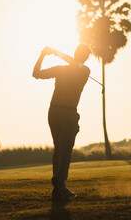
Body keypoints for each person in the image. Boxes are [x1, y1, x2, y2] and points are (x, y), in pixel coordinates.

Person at [33, 44, 91, 201]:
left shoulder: (76, 70)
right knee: (65, 150)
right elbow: (36, 74)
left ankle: (57, 187)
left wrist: (45, 54)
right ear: (85, 57)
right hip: (68, 112)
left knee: (58, 149)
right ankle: (61, 184)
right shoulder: (85, 71)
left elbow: (35, 73)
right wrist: (51, 53)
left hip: (53, 112)